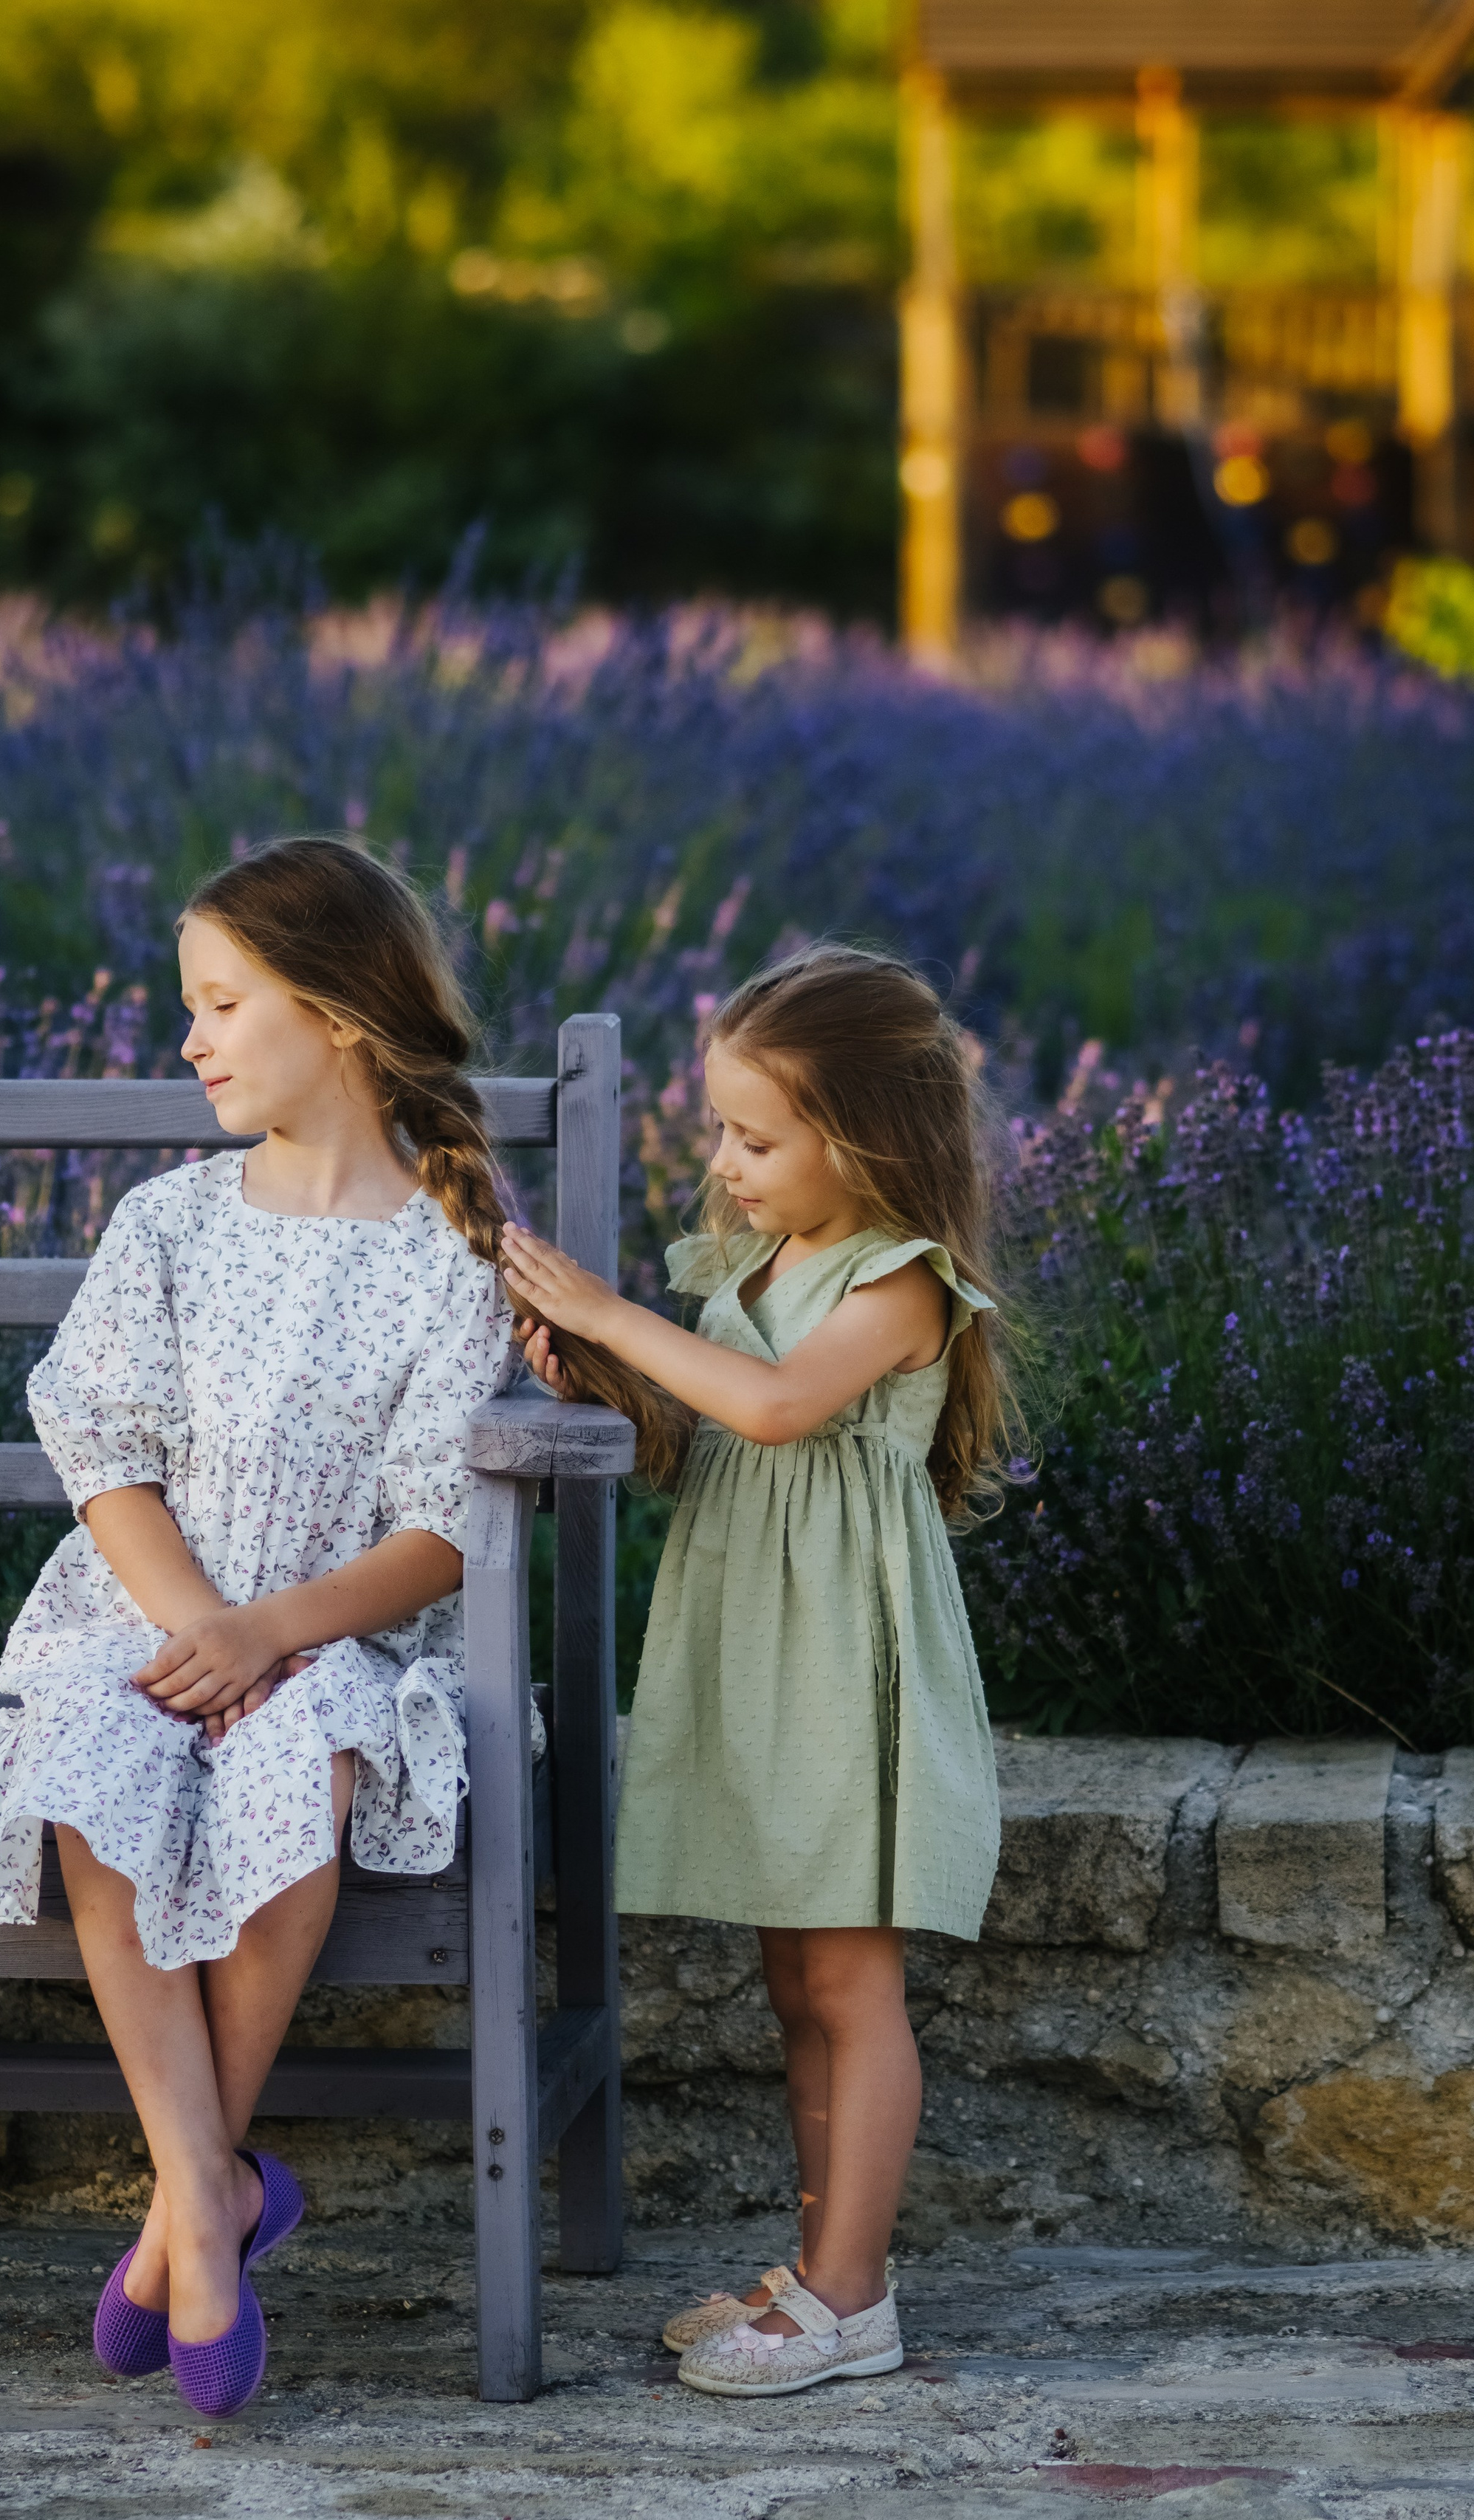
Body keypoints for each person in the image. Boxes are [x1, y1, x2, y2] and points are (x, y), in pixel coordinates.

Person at [0, 839, 530, 2420]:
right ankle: (210, 2202)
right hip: (141, 1617)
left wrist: (271, 1640)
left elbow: (442, 1531)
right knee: (98, 1766)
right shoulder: (173, 1221)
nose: (191, 1038)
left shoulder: (446, 1259)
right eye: (195, 1006)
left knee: (293, 1789)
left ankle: (189, 2212)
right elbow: (102, 1449)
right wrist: (195, 1631)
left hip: (333, 1644)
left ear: (341, 1017)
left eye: (223, 1004)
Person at [501, 943, 1016, 2400]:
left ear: (866, 1141)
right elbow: (709, 1432)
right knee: (794, 1982)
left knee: (851, 1983)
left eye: (754, 1135)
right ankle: (811, 2273)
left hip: (842, 1659)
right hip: (754, 1650)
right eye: (716, 1128)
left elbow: (780, 1408)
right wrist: (592, 1372)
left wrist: (611, 1312)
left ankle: (853, 2297)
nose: (722, 1162)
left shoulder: (898, 1281)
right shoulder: (754, 1263)